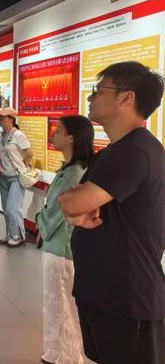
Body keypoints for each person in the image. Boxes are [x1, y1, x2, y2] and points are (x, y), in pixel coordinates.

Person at [59, 62, 165, 364]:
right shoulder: (112, 152)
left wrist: (75, 205)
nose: (90, 97)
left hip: (127, 298)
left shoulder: (136, 151)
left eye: (99, 90)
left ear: (126, 98)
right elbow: (73, 203)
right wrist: (75, 206)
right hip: (102, 291)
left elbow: (72, 203)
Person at [37, 115, 94, 364]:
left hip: (62, 250)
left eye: (59, 130)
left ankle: (65, 358)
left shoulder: (75, 173)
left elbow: (58, 211)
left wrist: (40, 222)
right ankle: (55, 354)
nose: (54, 134)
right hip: (56, 246)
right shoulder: (70, 170)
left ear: (72, 137)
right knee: (56, 306)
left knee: (62, 307)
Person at [0, 107, 33, 247]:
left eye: (3, 117)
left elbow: (29, 153)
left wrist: (24, 166)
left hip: (16, 177)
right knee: (6, 209)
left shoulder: (18, 135)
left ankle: (18, 236)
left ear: (11, 119)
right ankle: (10, 234)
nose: (0, 120)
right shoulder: (2, 135)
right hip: (4, 176)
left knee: (13, 208)